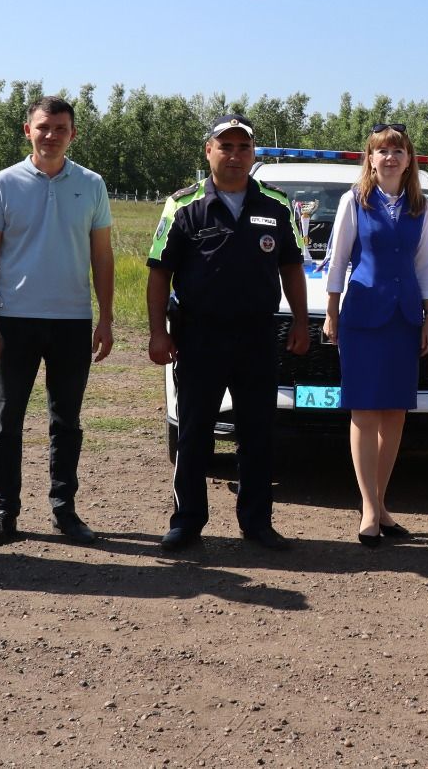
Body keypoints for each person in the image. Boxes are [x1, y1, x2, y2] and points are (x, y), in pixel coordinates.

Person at [147, 114, 309, 552]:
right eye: (226, 146)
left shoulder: (277, 204)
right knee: (195, 431)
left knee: (257, 432)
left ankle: (257, 522)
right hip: (199, 337)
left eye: (243, 148)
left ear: (253, 154)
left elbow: (293, 266)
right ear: (209, 151)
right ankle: (186, 522)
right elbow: (159, 272)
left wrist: (298, 320)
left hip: (258, 337)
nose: (235, 155)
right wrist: (157, 332)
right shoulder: (183, 204)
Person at [0, 96, 115, 548]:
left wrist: (106, 316)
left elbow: (102, 256)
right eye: (43, 127)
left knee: (66, 421)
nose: (50, 135)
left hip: (72, 320)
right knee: (6, 420)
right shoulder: (3, 184)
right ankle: (4, 512)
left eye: (60, 128)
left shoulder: (91, 185)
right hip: (12, 320)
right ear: (27, 130)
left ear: (73, 134)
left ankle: (64, 509)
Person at [321, 123, 428, 547]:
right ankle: (369, 508)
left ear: (409, 160)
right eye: (382, 151)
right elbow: (337, 262)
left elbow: (425, 265)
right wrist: (331, 312)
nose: (390, 158)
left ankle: (381, 504)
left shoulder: (420, 206)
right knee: (364, 412)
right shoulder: (354, 201)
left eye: (397, 151)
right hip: (364, 317)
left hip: (404, 318)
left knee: (395, 414)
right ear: (369, 159)